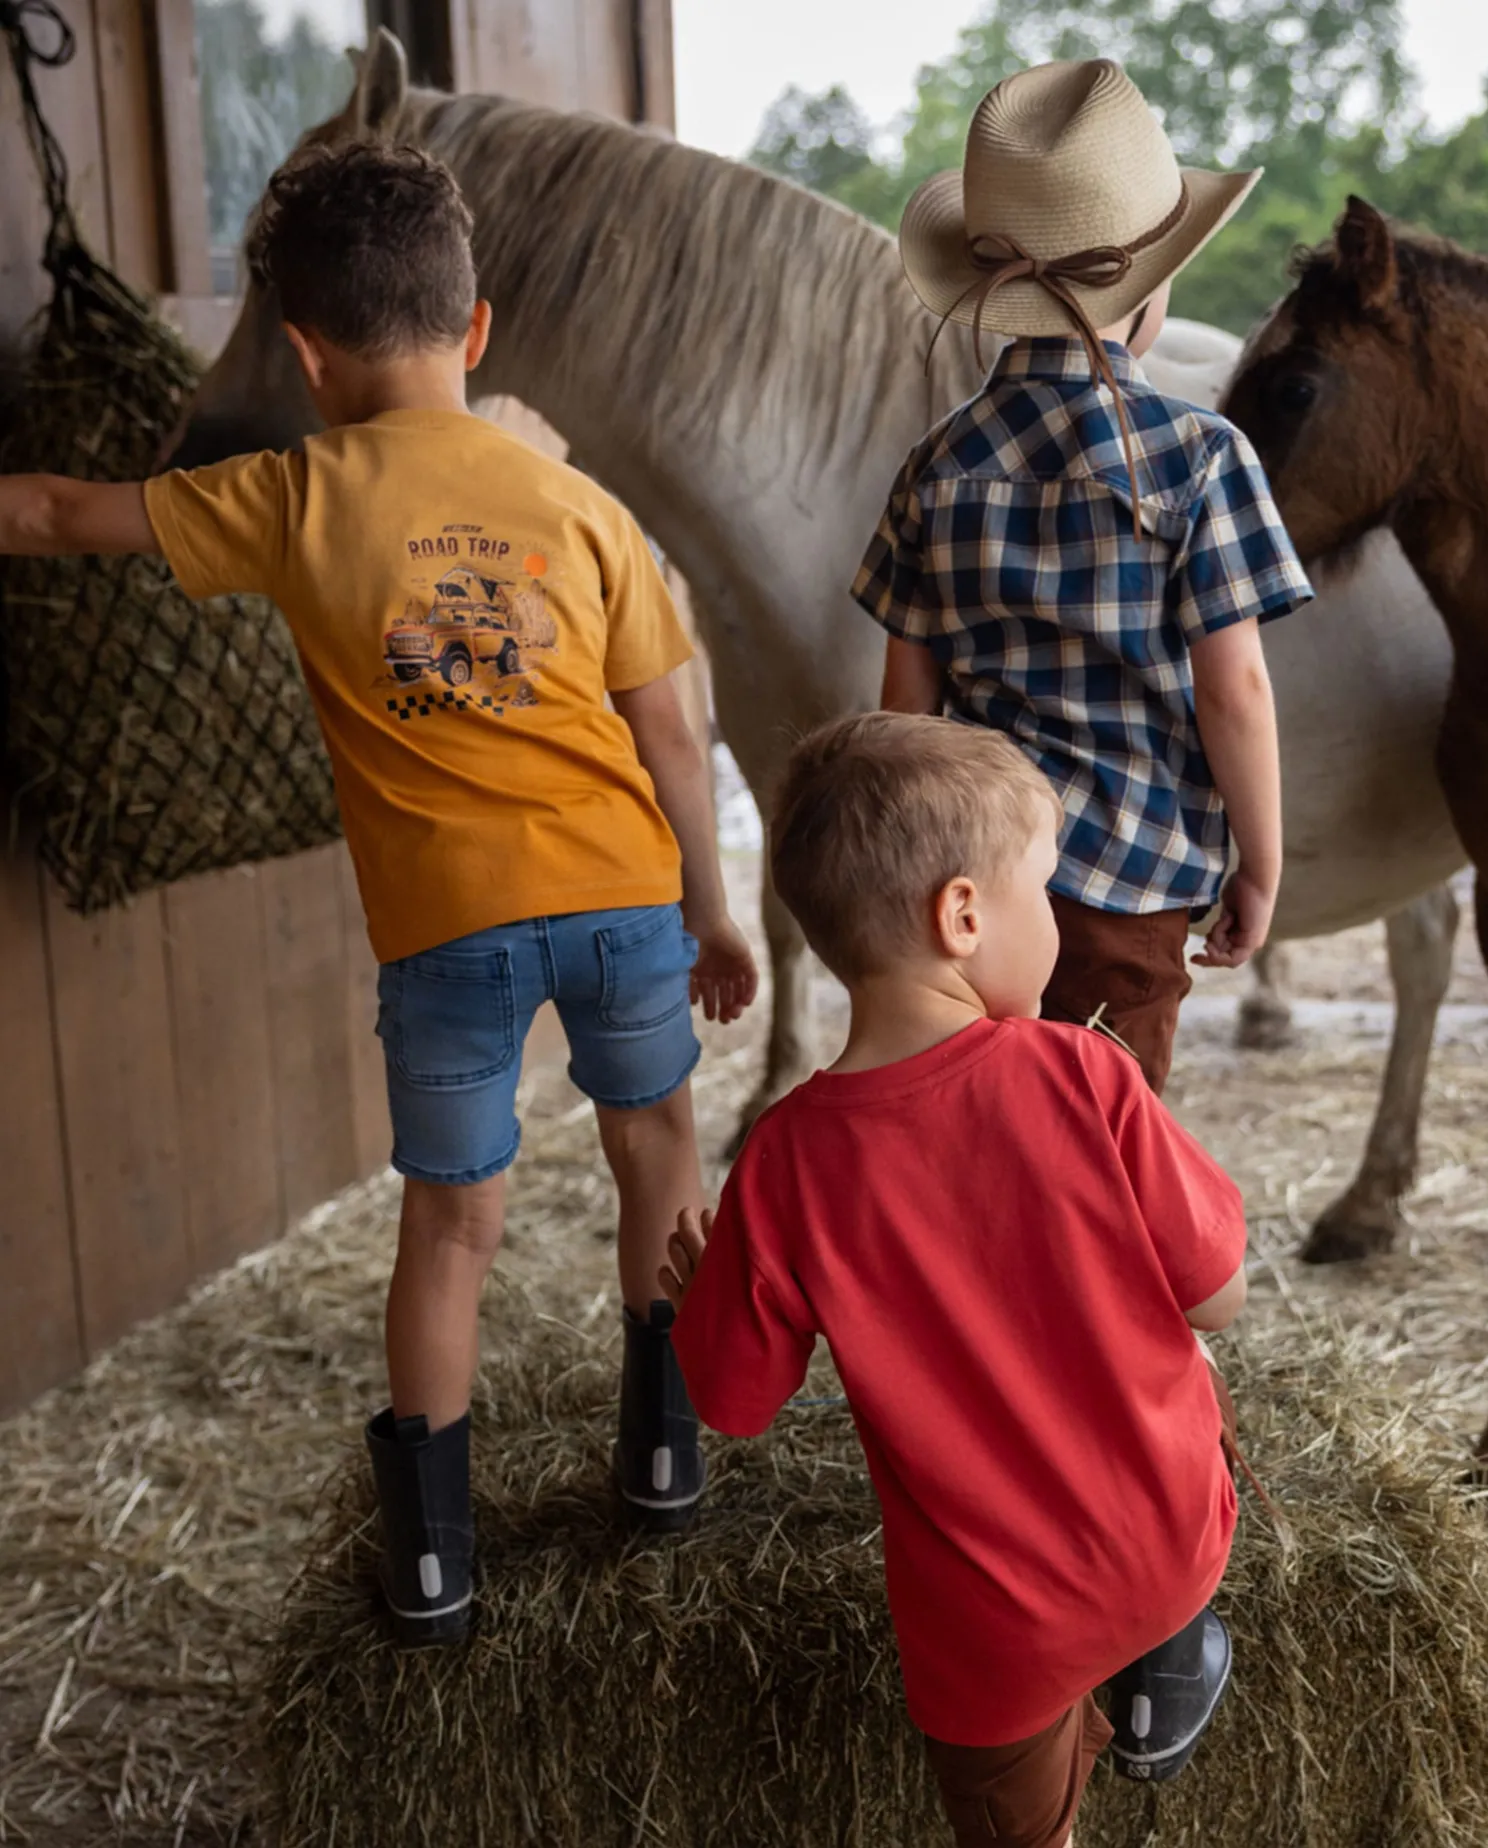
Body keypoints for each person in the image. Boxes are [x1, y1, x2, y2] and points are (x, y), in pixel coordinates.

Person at [0, 141, 756, 1644]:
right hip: (621, 899)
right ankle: (666, 1464)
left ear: (303, 352)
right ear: (476, 332)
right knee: (657, 1153)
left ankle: (433, 1568)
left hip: (450, 937)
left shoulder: (290, 494)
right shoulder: (579, 509)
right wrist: (715, 909)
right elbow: (675, 728)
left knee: (449, 1228)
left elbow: (47, 520)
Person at [669, 713, 1248, 1848]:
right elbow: (1218, 1296)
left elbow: (732, 1407)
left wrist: (704, 1298)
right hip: (1175, 1535)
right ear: (965, 916)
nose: (1055, 917)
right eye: (1045, 890)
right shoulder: (1088, 1071)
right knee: (1181, 1411)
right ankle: (1164, 1655)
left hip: (998, 1634)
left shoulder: (783, 1164)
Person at [856, 58, 1314, 1098]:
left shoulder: (937, 465)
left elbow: (906, 708)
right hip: (1137, 891)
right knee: (1105, 1156)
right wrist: (1261, 861)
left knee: (981, 1138)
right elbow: (1234, 687)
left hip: (966, 894)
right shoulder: (1200, 456)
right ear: (1145, 299)